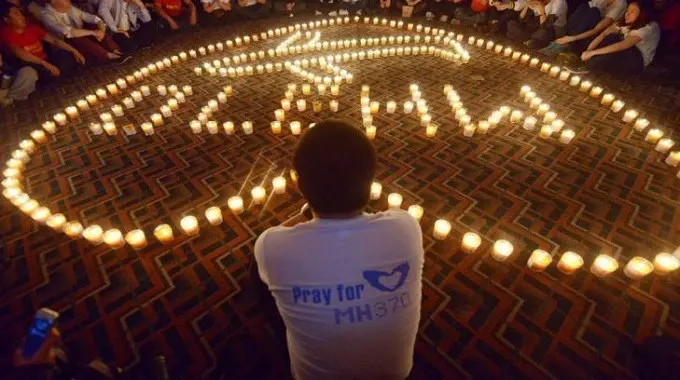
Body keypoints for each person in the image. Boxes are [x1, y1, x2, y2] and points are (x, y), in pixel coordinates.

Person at [253, 120, 424, 380]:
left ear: (297, 183)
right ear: (371, 179)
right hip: (398, 374)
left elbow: (280, 232)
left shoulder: (272, 246)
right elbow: (382, 216)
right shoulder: (407, 226)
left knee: (258, 276)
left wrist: (307, 213)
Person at [0, 3, 84, 81]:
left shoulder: (32, 28)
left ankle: (58, 75)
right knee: (36, 73)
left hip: (45, 60)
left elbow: (54, 40)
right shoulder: (6, 34)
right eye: (16, 14)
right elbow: (21, 53)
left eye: (20, 12)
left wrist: (73, 50)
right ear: (7, 20)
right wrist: (45, 64)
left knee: (67, 55)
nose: (22, 16)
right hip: (31, 65)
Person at [579, 1, 661, 74]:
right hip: (622, 53)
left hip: (637, 61)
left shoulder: (649, 27)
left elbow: (622, 45)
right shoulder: (625, 23)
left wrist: (593, 53)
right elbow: (603, 35)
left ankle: (590, 66)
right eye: (627, 11)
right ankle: (588, 63)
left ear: (642, 14)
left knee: (615, 44)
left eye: (632, 12)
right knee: (611, 37)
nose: (627, 14)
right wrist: (589, 51)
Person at [41, 0, 125, 63]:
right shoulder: (47, 16)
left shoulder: (69, 7)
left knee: (94, 26)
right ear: (53, 1)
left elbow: (88, 17)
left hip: (81, 34)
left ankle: (114, 50)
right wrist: (93, 33)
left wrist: (101, 29)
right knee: (78, 36)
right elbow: (69, 32)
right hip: (65, 43)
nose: (68, 0)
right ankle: (107, 55)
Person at [540, 0, 626, 57]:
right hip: (582, 27)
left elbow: (597, 29)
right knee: (584, 7)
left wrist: (572, 38)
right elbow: (582, 15)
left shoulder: (620, 3)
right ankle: (563, 41)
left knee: (594, 11)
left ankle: (565, 43)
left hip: (598, 32)